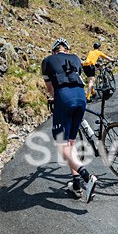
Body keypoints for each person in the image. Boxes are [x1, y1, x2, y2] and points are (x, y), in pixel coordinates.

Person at [42, 38, 97, 203]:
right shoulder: (75, 58)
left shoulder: (47, 61)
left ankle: (86, 176)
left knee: (61, 145)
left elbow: (50, 89)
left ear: (54, 51)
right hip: (81, 97)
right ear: (67, 49)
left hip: (64, 98)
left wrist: (55, 99)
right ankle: (76, 185)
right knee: (70, 144)